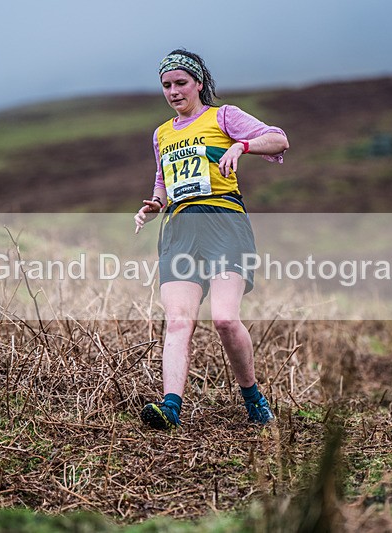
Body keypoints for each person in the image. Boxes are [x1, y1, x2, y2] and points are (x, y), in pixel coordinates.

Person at [133, 49, 289, 430]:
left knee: (223, 319)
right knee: (178, 322)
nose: (173, 91)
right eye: (166, 86)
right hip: (180, 229)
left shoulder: (223, 116)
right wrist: (155, 204)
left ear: (199, 83)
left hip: (224, 222)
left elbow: (279, 139)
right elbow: (164, 178)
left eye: (180, 83)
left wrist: (242, 145)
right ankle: (170, 408)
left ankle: (253, 398)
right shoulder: (162, 133)